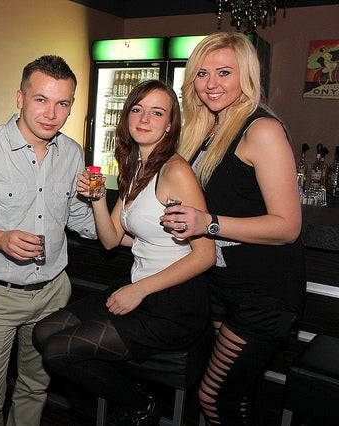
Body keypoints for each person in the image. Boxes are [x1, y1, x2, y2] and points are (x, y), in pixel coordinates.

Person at [33, 79, 216, 425]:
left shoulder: (175, 171)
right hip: (140, 288)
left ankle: (140, 404)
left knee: (57, 351)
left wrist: (139, 290)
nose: (144, 119)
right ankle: (115, 396)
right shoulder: (135, 167)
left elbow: (205, 254)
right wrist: (98, 198)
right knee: (42, 333)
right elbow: (111, 239)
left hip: (172, 303)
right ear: (127, 115)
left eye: (157, 113)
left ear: (170, 124)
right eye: (137, 109)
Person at [159, 32, 306, 425]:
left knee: (213, 399)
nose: (211, 84)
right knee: (235, 396)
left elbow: (287, 226)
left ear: (247, 75)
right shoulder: (204, 128)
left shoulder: (262, 130)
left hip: (264, 293)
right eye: (202, 73)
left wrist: (207, 223)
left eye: (224, 72)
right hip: (221, 286)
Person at [0, 55, 97, 426]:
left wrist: (134, 229)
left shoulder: (72, 153)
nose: (52, 113)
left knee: (36, 387)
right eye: (41, 100)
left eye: (62, 103)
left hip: (54, 292)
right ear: (20, 98)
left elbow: (78, 217)